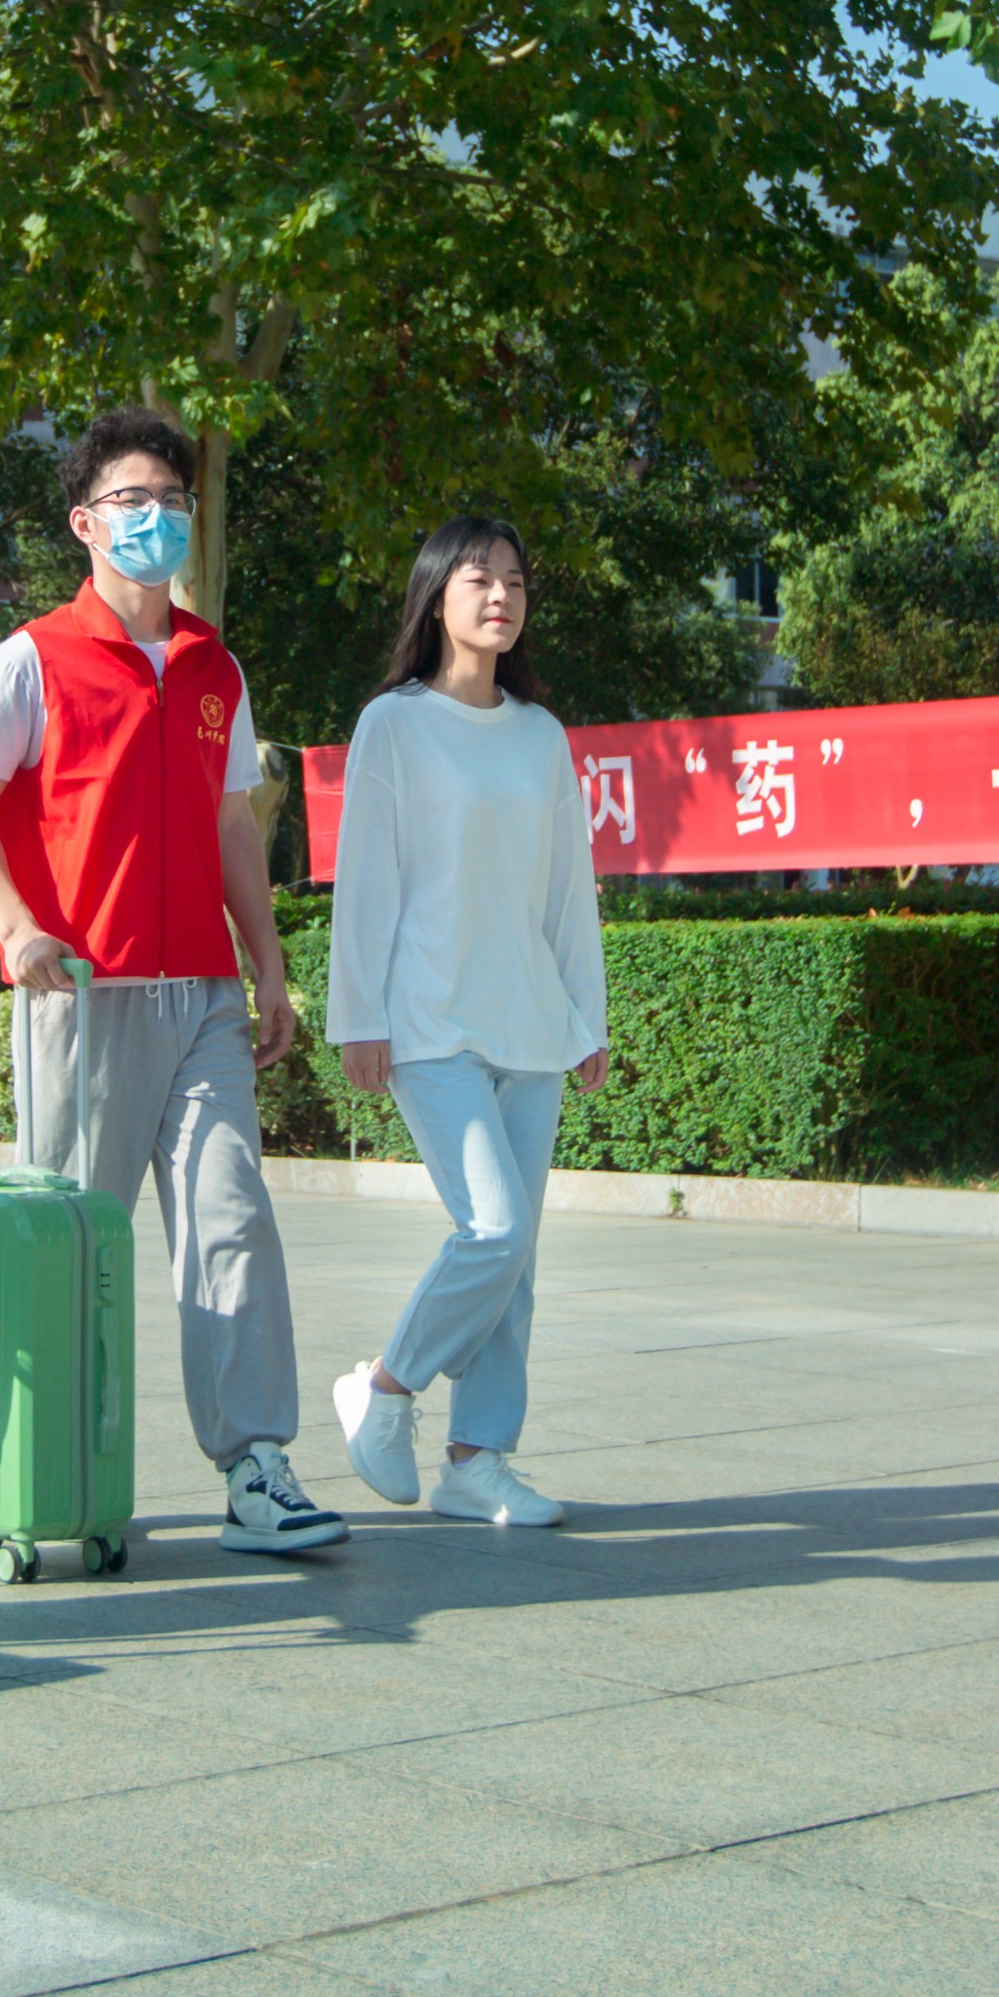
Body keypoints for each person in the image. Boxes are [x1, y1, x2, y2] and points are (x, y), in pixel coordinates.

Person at [0, 407, 346, 1559]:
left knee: (231, 1218)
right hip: (84, 990)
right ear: (83, 521)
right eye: (131, 499)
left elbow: (231, 826)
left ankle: (255, 1461)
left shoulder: (215, 663)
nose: (155, 516)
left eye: (171, 498)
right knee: (77, 1236)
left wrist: (269, 968)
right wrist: (15, 926)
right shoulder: (31, 658)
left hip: (202, 993)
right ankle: (51, 1464)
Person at [323, 517, 609, 1527]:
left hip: (530, 1022)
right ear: (435, 594)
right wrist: (356, 1014)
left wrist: (586, 1015)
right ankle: (385, 1388)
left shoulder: (540, 734)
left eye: (516, 581)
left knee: (515, 1259)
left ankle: (478, 1457)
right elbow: (367, 881)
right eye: (480, 578)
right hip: (430, 1020)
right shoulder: (392, 723)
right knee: (491, 1227)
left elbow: (568, 888)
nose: (501, 594)